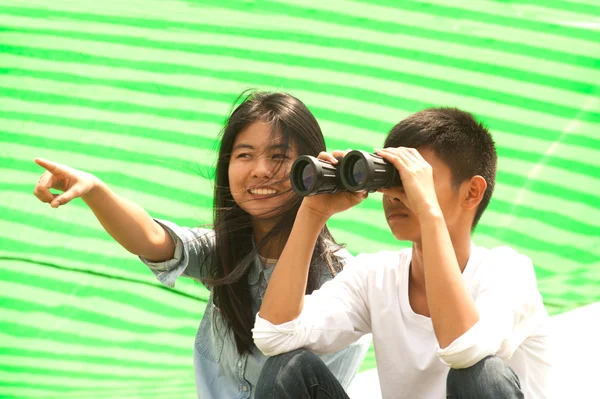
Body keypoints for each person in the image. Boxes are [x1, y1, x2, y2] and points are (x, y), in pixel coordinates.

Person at [32, 91, 370, 399]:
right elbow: (153, 239)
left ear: (309, 169)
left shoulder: (343, 281)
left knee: (290, 364)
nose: (260, 170)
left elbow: (298, 382)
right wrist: (95, 191)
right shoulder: (226, 252)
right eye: (245, 155)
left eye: (279, 157)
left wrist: (313, 211)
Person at [253, 107, 550, 398]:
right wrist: (313, 213)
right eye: (390, 178)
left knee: (482, 374)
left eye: (413, 178)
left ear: (472, 192)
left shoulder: (508, 272)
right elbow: (275, 335)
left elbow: (464, 348)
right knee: (286, 369)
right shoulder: (376, 276)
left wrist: (428, 211)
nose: (395, 194)